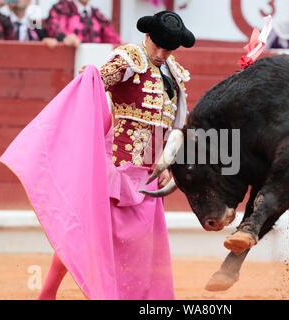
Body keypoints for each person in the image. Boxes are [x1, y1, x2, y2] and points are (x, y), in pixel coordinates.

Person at [36, 10, 195, 300]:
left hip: (148, 175)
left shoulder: (175, 74)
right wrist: (91, 76)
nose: (160, 53)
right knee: (85, 233)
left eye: (167, 48)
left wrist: (169, 159)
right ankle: (47, 293)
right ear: (147, 36)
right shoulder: (130, 59)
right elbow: (97, 80)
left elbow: (176, 125)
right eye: (156, 45)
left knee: (141, 247)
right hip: (118, 168)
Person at [43, 0, 120, 48]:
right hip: (68, 64)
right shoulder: (61, 9)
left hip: (94, 62)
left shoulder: (97, 15)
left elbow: (112, 39)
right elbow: (54, 29)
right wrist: (64, 38)